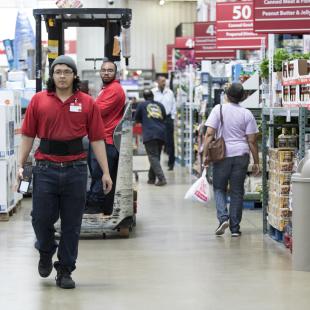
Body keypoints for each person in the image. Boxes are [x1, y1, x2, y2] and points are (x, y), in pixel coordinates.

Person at [17, 55, 113, 289]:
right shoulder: (39, 100)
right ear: (52, 75)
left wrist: (106, 172)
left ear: (74, 75)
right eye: (57, 71)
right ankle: (46, 249)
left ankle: (65, 270)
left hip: (76, 170)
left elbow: (98, 139)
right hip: (45, 169)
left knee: (72, 224)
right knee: (40, 219)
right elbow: (28, 134)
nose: (62, 76)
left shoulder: (87, 102)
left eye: (66, 72)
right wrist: (21, 164)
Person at [204, 83, 259, 237]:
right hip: (241, 155)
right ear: (243, 97)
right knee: (237, 191)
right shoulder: (247, 114)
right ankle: (235, 228)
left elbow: (209, 134)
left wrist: (204, 156)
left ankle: (223, 218)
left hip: (222, 155)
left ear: (226, 95)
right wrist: (256, 162)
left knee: (219, 188)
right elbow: (252, 141)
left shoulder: (218, 109)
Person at [86, 60, 126, 215]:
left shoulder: (114, 89)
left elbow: (97, 111)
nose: (106, 73)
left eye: (110, 70)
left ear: (115, 73)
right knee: (97, 175)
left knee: (100, 175)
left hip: (106, 141)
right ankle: (97, 205)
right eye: (103, 70)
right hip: (100, 138)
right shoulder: (106, 89)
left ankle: (95, 207)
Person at [135, 89, 167, 186]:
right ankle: (151, 178)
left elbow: (136, 119)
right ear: (153, 96)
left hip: (150, 133)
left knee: (153, 157)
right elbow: (164, 117)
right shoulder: (160, 105)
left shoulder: (141, 105)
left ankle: (162, 179)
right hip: (161, 133)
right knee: (156, 157)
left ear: (144, 97)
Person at [152, 75, 176, 171]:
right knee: (157, 142)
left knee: (170, 142)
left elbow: (174, 105)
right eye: (162, 81)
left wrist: (172, 117)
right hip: (157, 119)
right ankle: (157, 164)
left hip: (168, 118)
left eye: (164, 81)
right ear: (157, 82)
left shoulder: (169, 92)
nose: (164, 83)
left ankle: (171, 163)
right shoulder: (153, 92)